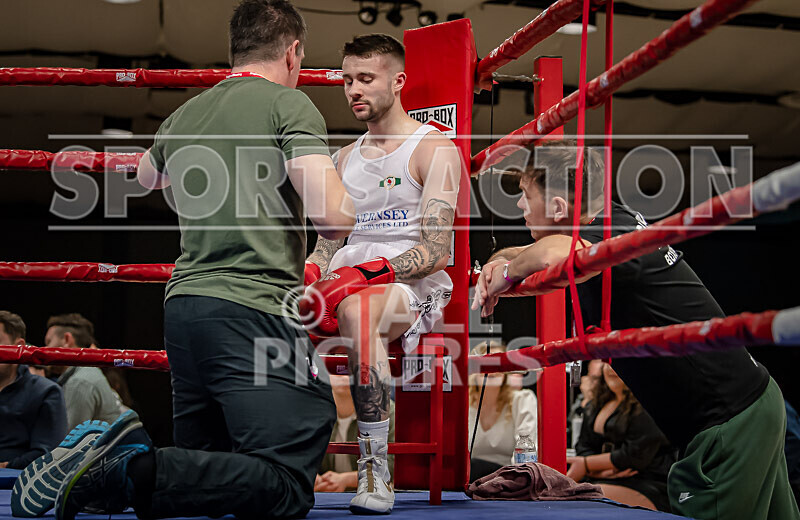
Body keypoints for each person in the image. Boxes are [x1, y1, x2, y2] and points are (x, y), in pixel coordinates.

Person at [15, 2, 355, 520]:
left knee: (206, 478)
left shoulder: (184, 114)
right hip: (252, 308)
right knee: (286, 483)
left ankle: (111, 476)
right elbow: (333, 219)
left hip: (186, 309)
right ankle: (126, 464)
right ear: (293, 53)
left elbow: (148, 178)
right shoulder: (290, 106)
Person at [473, 140, 799, 519]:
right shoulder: (612, 221)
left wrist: (510, 273)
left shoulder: (608, 239)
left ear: (559, 208)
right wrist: (498, 265)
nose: (519, 206)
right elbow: (538, 251)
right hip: (745, 406)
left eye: (526, 196)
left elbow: (555, 253)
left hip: (727, 420)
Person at [301, 33, 461, 514]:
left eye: (366, 79)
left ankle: (374, 467)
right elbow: (328, 244)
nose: (353, 90)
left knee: (359, 310)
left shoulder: (434, 149)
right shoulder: (344, 158)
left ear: (399, 81)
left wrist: (368, 274)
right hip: (348, 283)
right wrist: (309, 278)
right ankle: (279, 462)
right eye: (347, 80)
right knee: (268, 311)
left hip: (411, 286)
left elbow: (438, 249)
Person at [568, 361, 675, 512]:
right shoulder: (595, 404)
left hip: (646, 482)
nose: (612, 368)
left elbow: (636, 455)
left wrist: (586, 464)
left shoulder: (650, 404)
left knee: (582, 501)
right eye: (608, 362)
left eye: (621, 362)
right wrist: (599, 470)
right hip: (599, 478)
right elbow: (583, 445)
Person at [0, 311, 67, 470]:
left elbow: (47, 455)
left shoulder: (45, 392)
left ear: (18, 347)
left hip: (17, 486)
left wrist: (6, 467)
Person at [467, 341, 537, 481]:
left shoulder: (522, 400)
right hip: (468, 480)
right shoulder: (463, 405)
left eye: (497, 363)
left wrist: (516, 483)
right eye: (485, 362)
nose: (491, 369)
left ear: (506, 372)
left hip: (508, 478)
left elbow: (526, 452)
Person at [315, 375, 395, 492]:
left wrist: (347, 479)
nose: (342, 373)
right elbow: (298, 456)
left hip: (370, 494)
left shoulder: (385, 411)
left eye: (349, 363)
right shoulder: (312, 411)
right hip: (323, 496)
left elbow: (394, 465)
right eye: (335, 361)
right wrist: (309, 476)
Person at [43, 314, 121, 429]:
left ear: (66, 339)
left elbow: (70, 440)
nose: (44, 350)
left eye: (48, 342)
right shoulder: (85, 373)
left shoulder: (80, 381)